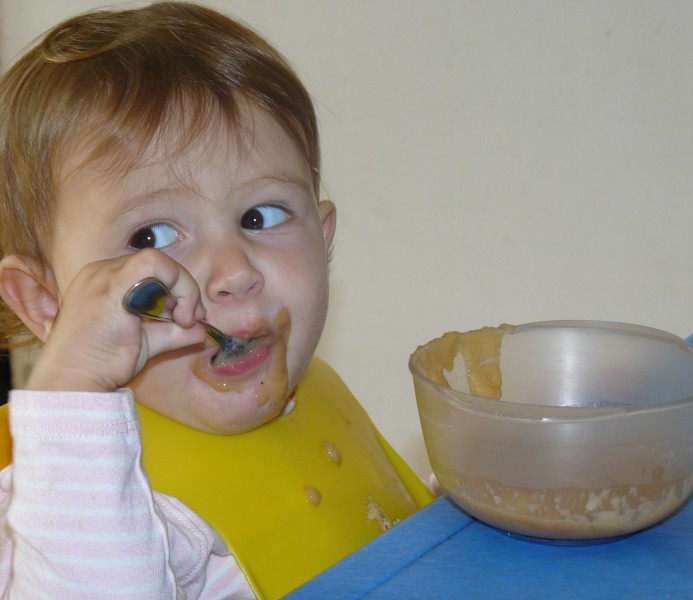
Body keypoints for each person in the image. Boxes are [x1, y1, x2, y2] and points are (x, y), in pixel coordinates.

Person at [0, 2, 432, 598]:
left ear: (324, 237)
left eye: (261, 216)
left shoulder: (321, 400)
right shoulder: (70, 509)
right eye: (151, 237)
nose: (234, 272)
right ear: (48, 303)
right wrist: (71, 393)